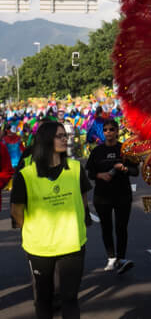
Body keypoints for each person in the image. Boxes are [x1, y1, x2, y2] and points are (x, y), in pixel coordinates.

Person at [10, 120, 93, 319]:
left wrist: (80, 222)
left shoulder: (75, 168)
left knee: (70, 299)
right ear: (46, 139)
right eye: (59, 136)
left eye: (65, 135)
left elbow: (82, 200)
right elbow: (16, 211)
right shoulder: (26, 175)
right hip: (40, 248)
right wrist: (33, 229)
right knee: (44, 300)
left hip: (72, 245)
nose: (65, 139)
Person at [86, 119, 139, 273]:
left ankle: (121, 258)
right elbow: (90, 173)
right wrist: (100, 175)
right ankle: (111, 258)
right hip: (102, 196)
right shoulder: (97, 151)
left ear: (117, 131)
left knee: (121, 227)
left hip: (122, 194)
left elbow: (135, 172)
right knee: (106, 227)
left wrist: (124, 168)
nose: (108, 132)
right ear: (103, 133)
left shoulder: (125, 149)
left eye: (111, 129)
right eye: (106, 130)